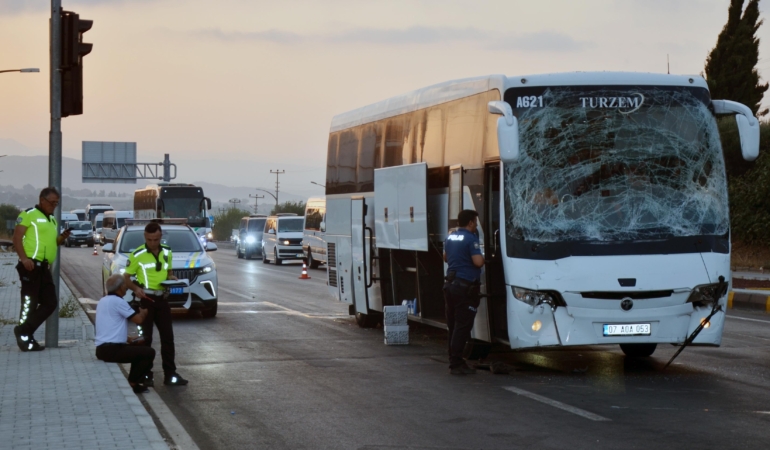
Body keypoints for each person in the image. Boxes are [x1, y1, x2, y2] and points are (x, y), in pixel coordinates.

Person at [123, 222, 188, 386]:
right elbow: (126, 278)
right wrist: (136, 288)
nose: (153, 243)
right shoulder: (137, 254)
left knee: (168, 338)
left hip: (162, 299)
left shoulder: (167, 251)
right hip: (146, 300)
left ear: (161, 237)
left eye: (156, 239)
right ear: (145, 237)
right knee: (146, 339)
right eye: (150, 239)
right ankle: (146, 374)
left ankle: (170, 374)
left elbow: (169, 271)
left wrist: (172, 278)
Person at [11, 187, 72, 352]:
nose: (54, 206)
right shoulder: (29, 214)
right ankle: (25, 338)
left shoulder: (52, 220)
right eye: (52, 202)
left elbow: (52, 242)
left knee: (50, 302)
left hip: (44, 267)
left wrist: (61, 238)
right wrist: (24, 259)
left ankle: (24, 330)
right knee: (29, 304)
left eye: (57, 203)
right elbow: (17, 238)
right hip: (30, 266)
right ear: (42, 200)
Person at [95, 274, 156, 394]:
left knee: (138, 348)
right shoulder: (118, 302)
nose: (126, 288)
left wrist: (128, 339)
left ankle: (135, 381)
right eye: (125, 285)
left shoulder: (103, 300)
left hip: (102, 349)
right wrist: (144, 312)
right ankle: (132, 383)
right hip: (112, 351)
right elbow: (138, 319)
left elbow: (109, 326)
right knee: (148, 353)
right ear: (121, 287)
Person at [443, 209, 485, 375]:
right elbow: (478, 262)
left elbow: (446, 257)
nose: (475, 225)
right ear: (470, 222)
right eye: (475, 222)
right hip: (464, 288)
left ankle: (453, 360)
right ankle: (457, 363)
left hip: (450, 285)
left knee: (453, 326)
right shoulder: (471, 239)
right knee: (462, 326)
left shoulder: (450, 237)